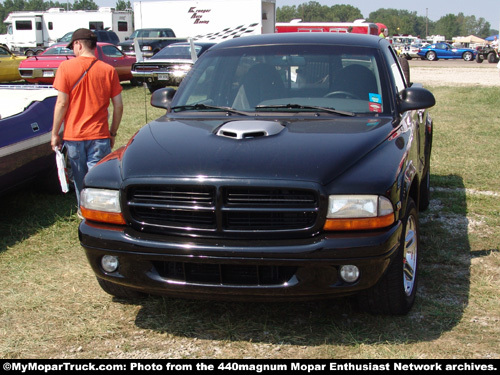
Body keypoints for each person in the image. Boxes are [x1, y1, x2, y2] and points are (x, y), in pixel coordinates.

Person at [51, 28, 123, 214]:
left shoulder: (65, 68)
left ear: (79, 44)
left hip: (73, 135)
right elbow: (119, 106)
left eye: (72, 47)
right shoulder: (108, 70)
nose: (72, 51)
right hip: (100, 135)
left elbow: (61, 103)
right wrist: (112, 132)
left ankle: (84, 212)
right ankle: (100, 213)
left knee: (80, 178)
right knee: (97, 179)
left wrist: (54, 133)